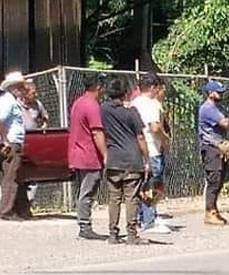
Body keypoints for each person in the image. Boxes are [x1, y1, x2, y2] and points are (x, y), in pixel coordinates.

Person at [101, 78, 150, 245]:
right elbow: (140, 137)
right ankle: (131, 233)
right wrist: (147, 158)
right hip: (132, 159)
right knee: (131, 197)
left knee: (114, 198)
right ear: (126, 93)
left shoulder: (104, 110)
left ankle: (113, 234)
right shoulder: (132, 112)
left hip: (114, 158)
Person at [68, 73, 109, 239]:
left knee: (83, 190)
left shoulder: (78, 103)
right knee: (87, 191)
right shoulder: (92, 106)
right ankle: (84, 226)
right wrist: (106, 154)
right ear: (98, 87)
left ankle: (84, 224)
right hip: (89, 155)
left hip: (78, 152)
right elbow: (97, 132)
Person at [132, 74, 171, 235]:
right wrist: (166, 138)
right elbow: (154, 127)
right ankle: (149, 221)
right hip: (152, 149)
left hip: (138, 150)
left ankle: (144, 218)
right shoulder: (151, 104)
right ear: (153, 87)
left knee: (142, 186)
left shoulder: (134, 103)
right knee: (152, 186)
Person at [197, 80, 229, 225]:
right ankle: (209, 212)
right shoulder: (207, 108)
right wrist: (228, 122)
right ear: (210, 93)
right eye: (219, 91)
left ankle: (215, 210)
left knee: (220, 180)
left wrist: (228, 122)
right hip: (211, 147)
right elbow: (226, 123)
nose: (222, 94)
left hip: (221, 145)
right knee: (214, 179)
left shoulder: (219, 108)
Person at [16, 79, 49, 217]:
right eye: (32, 93)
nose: (35, 95)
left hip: (34, 142)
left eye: (35, 93)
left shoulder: (37, 104)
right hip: (20, 140)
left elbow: (45, 117)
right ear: (24, 93)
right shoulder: (15, 105)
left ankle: (28, 206)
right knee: (19, 175)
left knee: (33, 175)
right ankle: (18, 207)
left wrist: (44, 127)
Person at [0, 72, 29, 221]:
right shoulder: (8, 102)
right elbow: (0, 120)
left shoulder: (9, 101)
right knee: (10, 177)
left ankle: (11, 209)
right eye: (20, 86)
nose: (23, 89)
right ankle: (6, 211)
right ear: (14, 88)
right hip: (11, 143)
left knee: (10, 176)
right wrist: (5, 141)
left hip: (11, 142)